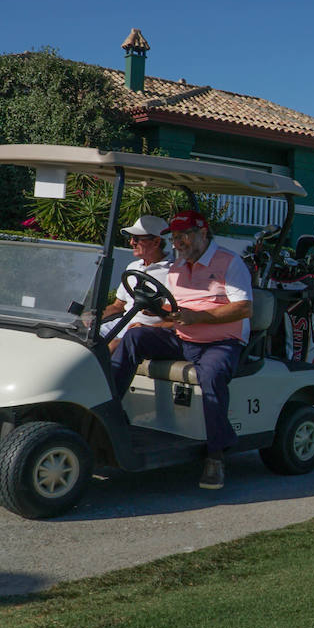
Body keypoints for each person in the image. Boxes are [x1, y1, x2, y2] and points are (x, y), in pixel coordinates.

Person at [109, 210, 253, 490]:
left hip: (221, 342)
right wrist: (155, 313)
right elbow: (174, 312)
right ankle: (110, 415)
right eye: (175, 238)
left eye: (184, 236)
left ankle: (216, 456)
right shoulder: (176, 267)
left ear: (202, 233)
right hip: (183, 338)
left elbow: (244, 308)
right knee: (134, 337)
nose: (178, 243)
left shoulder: (229, 262)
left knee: (211, 376)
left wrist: (197, 318)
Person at [99, 215, 172, 348]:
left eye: (137, 239)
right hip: (122, 324)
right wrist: (90, 318)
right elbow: (118, 305)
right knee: (82, 340)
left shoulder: (175, 271)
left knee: (112, 346)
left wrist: (149, 327)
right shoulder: (133, 267)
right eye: (131, 238)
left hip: (149, 330)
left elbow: (175, 316)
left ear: (156, 242)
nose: (131, 242)